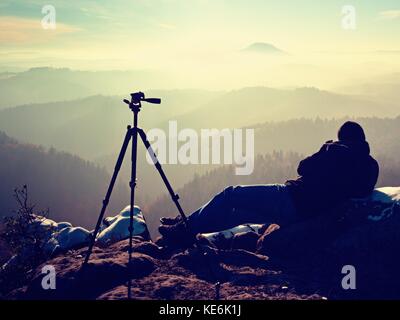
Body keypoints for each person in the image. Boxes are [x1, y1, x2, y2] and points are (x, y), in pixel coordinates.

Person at [159, 121, 379, 247]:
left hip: (290, 197)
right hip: (302, 214)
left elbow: (302, 168)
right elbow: (363, 190)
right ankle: (187, 227)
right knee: (237, 215)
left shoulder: (335, 152)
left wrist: (327, 148)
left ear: (342, 138)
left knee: (231, 194)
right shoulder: (370, 166)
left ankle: (183, 229)